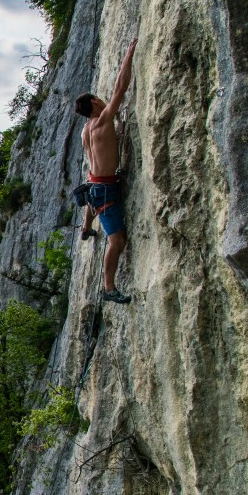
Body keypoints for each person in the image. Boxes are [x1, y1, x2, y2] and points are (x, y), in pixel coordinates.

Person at [74, 38, 138, 304]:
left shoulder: (84, 131)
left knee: (93, 190)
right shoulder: (101, 122)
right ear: (95, 102)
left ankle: (87, 227)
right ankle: (108, 288)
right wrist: (129, 53)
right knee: (117, 241)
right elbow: (121, 88)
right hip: (105, 189)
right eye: (98, 98)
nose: (102, 99)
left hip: (94, 186)